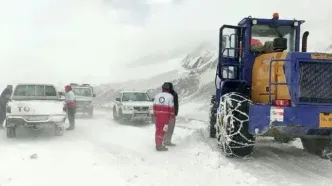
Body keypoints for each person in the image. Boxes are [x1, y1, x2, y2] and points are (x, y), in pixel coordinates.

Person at [153, 82, 175, 151]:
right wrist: (172, 116)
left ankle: (158, 144)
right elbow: (171, 108)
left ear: (162, 88)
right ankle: (159, 146)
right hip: (165, 116)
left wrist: (155, 115)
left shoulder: (157, 96)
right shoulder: (170, 96)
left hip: (158, 116)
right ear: (168, 89)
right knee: (163, 130)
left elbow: (154, 106)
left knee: (158, 129)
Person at [163, 82, 178, 146]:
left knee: (165, 128)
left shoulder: (163, 94)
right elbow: (176, 104)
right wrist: (175, 112)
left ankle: (165, 140)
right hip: (170, 114)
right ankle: (167, 141)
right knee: (170, 128)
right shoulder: (174, 93)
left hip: (165, 114)